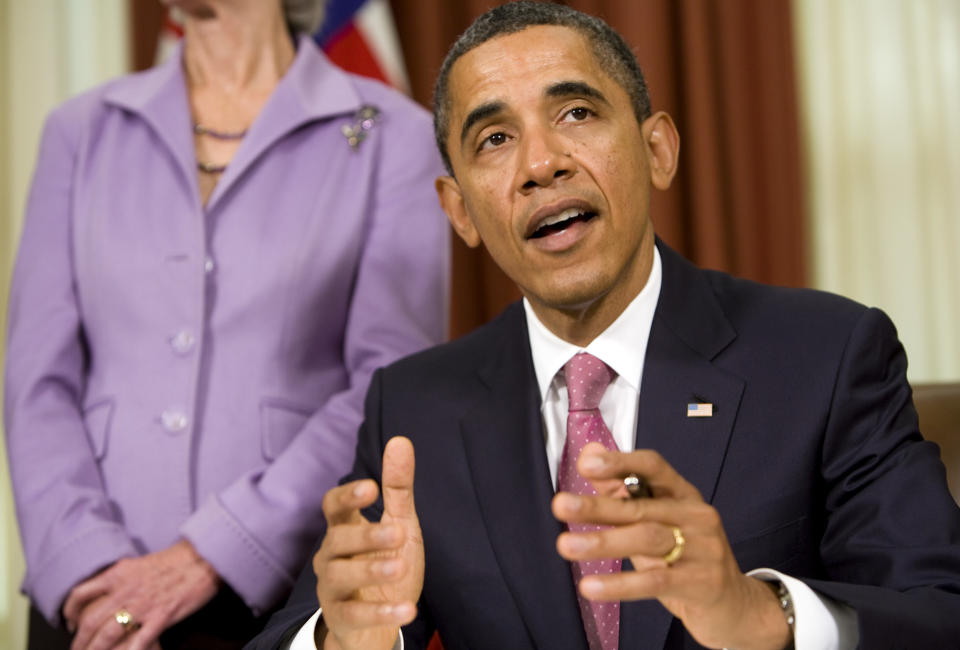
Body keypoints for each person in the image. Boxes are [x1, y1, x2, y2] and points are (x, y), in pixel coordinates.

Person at [248, 3, 960, 650]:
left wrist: (759, 612)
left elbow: (938, 614)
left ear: (658, 150)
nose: (540, 164)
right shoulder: (414, 412)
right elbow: (313, 628)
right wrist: (344, 641)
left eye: (577, 114)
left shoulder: (827, 356)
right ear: (459, 210)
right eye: (494, 138)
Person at [3, 0, 449, 648]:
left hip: (278, 596)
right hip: (91, 605)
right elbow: (35, 380)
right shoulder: (81, 129)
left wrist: (214, 552)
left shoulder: (394, 136)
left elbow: (386, 385)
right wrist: (88, 568)